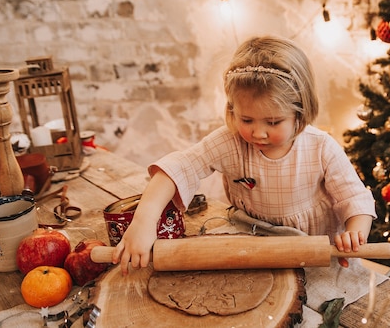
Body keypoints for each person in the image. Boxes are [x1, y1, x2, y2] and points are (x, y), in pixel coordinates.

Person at [112, 36, 376, 274]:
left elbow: (354, 198)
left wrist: (355, 233)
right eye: (247, 119)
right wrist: (143, 222)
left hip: (315, 253)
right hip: (253, 246)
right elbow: (179, 168)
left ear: (300, 111)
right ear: (232, 109)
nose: (258, 133)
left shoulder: (321, 148)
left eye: (273, 122)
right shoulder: (230, 143)